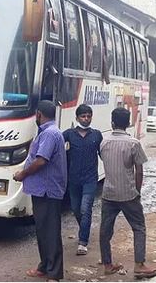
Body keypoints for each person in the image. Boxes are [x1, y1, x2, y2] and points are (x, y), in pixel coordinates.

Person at [99, 108, 156, 278]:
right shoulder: (133, 143)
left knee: (105, 231)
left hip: (108, 194)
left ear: (112, 123)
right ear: (128, 123)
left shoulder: (103, 143)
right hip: (128, 194)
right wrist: (137, 191)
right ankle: (139, 264)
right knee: (139, 227)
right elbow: (138, 171)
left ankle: (108, 264)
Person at [13, 100, 67, 282]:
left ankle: (54, 274)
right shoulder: (46, 132)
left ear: (39, 114)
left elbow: (41, 161)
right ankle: (44, 267)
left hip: (48, 190)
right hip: (41, 190)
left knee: (50, 231)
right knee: (42, 230)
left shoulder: (50, 134)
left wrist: (23, 174)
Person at [63, 104, 103, 256]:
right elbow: (55, 147)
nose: (86, 119)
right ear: (77, 118)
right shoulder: (69, 134)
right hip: (73, 180)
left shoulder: (97, 135)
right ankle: (84, 229)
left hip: (90, 179)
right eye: (83, 116)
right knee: (76, 209)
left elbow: (103, 154)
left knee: (86, 208)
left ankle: (82, 242)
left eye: (88, 116)